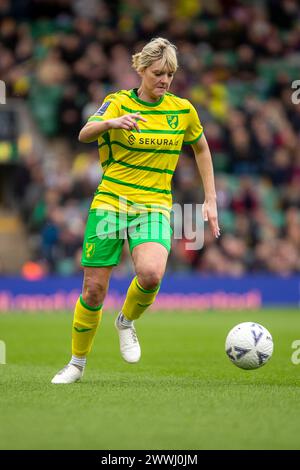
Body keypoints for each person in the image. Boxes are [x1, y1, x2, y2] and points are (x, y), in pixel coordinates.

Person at [51, 37, 220, 384]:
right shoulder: (117, 102)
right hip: (111, 202)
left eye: (170, 74)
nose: (164, 80)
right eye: (158, 73)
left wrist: (210, 198)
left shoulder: (182, 110)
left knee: (151, 274)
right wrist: (112, 123)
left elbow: (201, 149)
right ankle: (76, 364)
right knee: (93, 290)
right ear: (141, 70)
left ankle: (126, 321)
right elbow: (85, 133)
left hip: (154, 205)